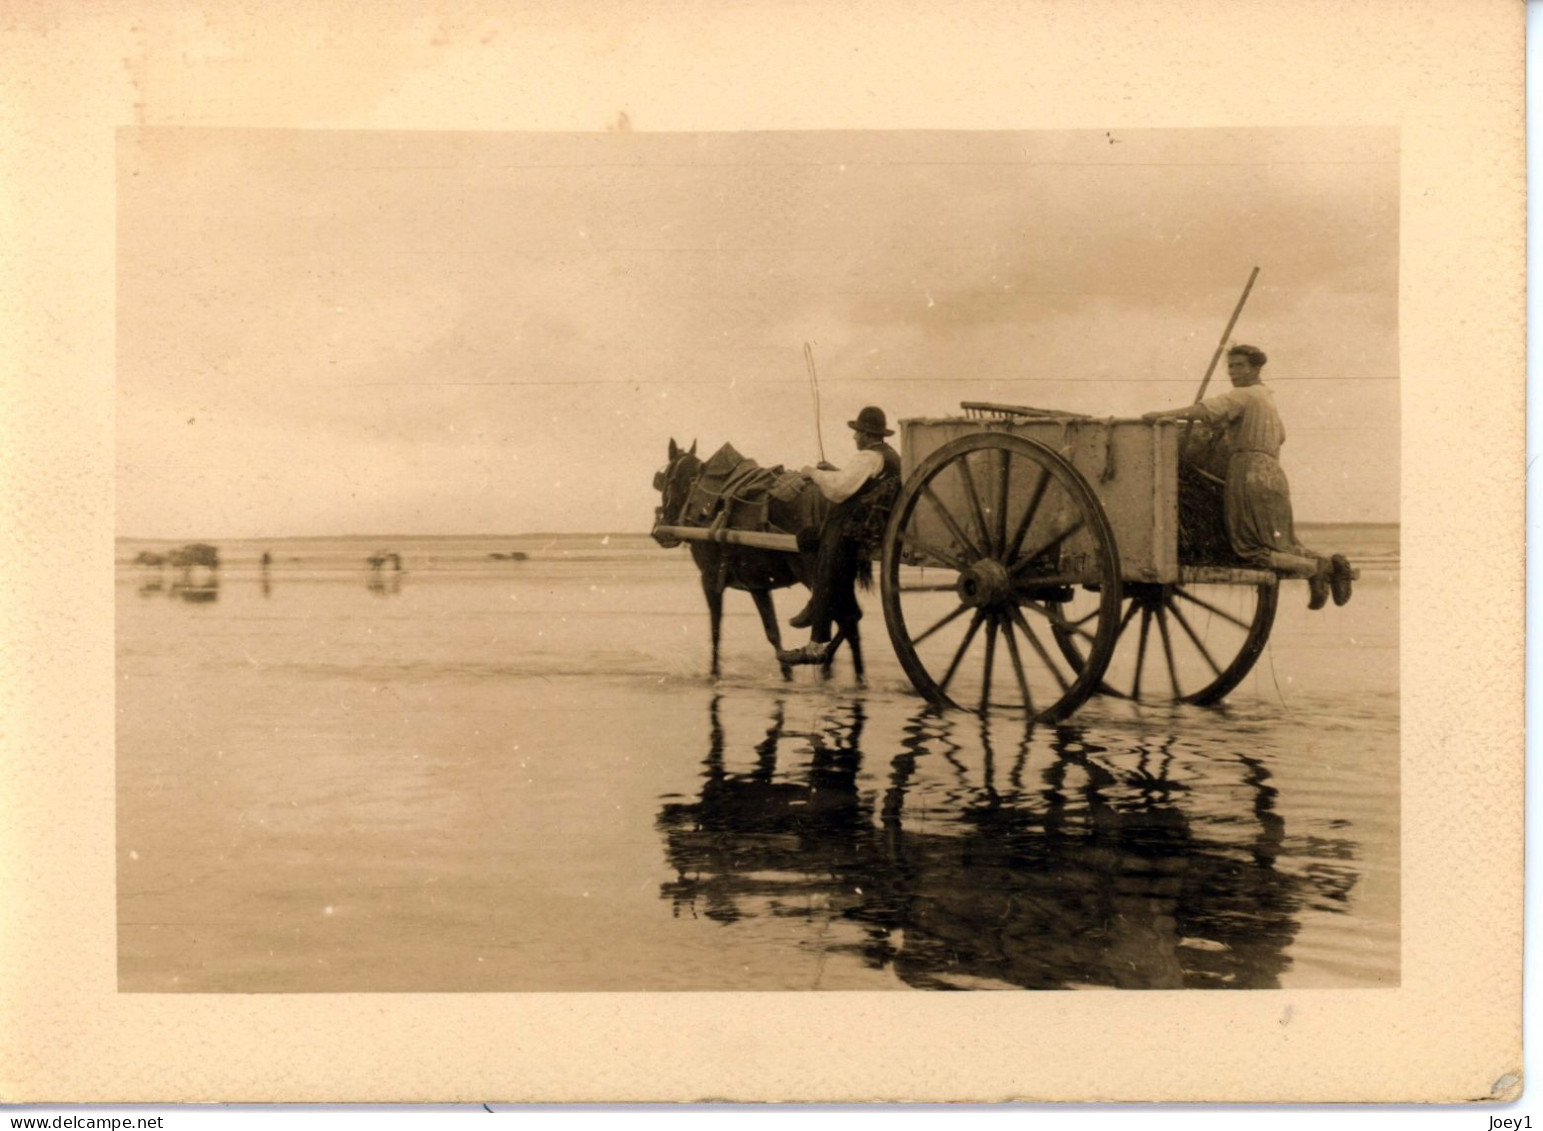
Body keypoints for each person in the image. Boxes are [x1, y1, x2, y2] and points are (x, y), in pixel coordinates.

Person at [1142, 345, 1353, 610]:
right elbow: (1282, 436)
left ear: (1255, 369)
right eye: (1230, 366)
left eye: (1239, 366)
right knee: (1282, 542)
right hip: (1273, 473)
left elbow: (1204, 411)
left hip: (1247, 474)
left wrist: (1163, 415)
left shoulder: (1244, 395)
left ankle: (1314, 569)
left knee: (1251, 548)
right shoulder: (1267, 398)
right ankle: (1330, 562)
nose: (1233, 372)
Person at [778, 406, 903, 664]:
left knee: (825, 573)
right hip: (868, 523)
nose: (854, 438)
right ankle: (816, 603)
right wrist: (832, 471)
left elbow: (840, 490)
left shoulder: (867, 456)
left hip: (851, 527)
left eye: (857, 433)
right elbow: (856, 482)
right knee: (806, 538)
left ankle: (814, 647)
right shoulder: (887, 455)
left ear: (868, 434)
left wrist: (812, 473)